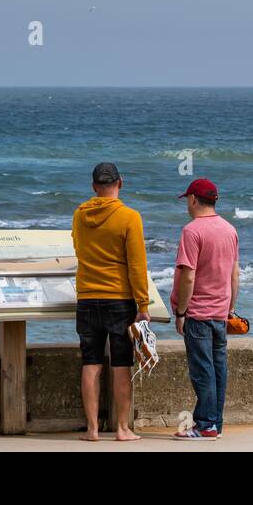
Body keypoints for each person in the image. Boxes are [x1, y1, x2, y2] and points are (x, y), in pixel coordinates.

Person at [70, 162, 149, 442]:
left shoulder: (80, 215)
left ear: (94, 187)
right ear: (120, 183)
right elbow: (136, 265)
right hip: (119, 299)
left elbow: (79, 248)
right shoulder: (130, 217)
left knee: (90, 363)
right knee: (121, 364)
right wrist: (143, 305)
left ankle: (92, 429)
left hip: (88, 298)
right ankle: (122, 428)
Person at [170, 178, 240, 441]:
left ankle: (205, 424)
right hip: (221, 311)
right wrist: (230, 307)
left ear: (192, 199)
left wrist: (180, 312)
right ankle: (215, 423)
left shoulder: (192, 231)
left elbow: (188, 276)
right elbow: (235, 274)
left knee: (202, 370)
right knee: (218, 367)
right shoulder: (229, 229)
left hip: (197, 312)